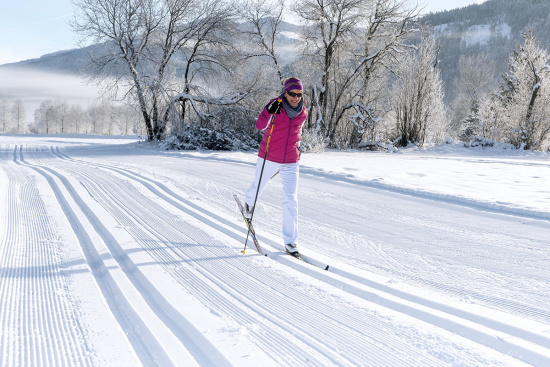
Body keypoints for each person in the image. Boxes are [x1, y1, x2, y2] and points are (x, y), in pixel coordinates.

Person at [244, 77, 308, 256]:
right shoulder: (275, 105)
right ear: (285, 92)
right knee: (258, 187)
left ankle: (291, 241)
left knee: (291, 199)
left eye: (299, 94)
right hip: (269, 156)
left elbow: (298, 132)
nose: (295, 97)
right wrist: (267, 111)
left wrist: (298, 148)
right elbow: (260, 126)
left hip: (291, 160)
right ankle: (248, 204)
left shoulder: (303, 112)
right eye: (292, 94)